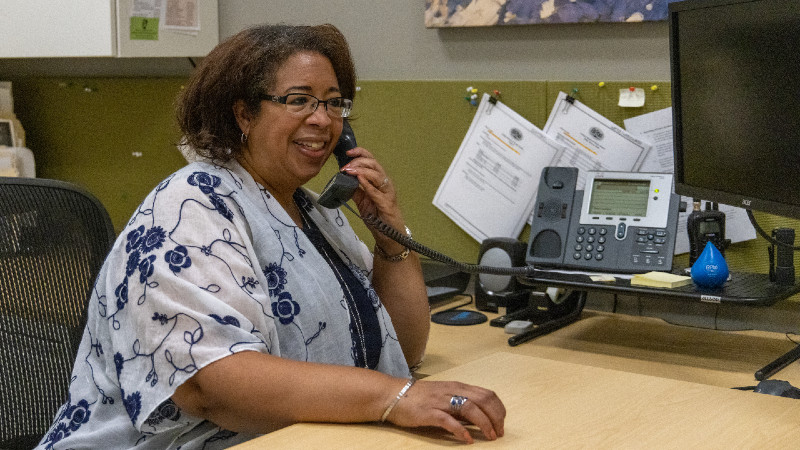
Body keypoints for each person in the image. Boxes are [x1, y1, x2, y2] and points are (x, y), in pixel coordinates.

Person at [36, 23, 505, 449]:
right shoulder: (189, 208)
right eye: (298, 100)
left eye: (333, 102)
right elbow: (210, 385)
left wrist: (391, 236)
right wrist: (396, 397)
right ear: (243, 113)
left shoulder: (316, 212)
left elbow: (399, 348)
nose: (323, 119)